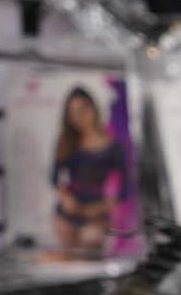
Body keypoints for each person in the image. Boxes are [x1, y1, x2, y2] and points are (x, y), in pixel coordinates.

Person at [50, 88, 126, 255]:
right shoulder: (67, 143)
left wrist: (104, 206)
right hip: (68, 213)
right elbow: (54, 177)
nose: (77, 117)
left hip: (96, 213)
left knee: (89, 250)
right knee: (68, 259)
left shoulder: (113, 147)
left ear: (92, 109)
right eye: (71, 113)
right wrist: (65, 198)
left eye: (81, 110)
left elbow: (126, 186)